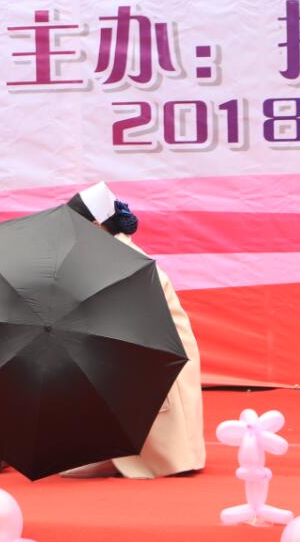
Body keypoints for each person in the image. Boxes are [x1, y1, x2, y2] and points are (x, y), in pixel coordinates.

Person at [62, 182, 206, 479]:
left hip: (159, 358)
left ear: (95, 225)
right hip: (143, 352)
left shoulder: (125, 260)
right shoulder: (111, 254)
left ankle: (128, 455)